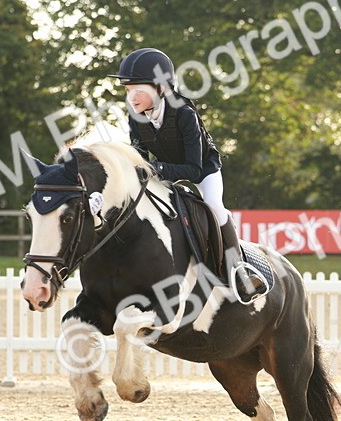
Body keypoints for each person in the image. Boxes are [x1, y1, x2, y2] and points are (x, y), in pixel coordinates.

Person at [109, 47, 268, 303]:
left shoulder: (184, 113)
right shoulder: (136, 118)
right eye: (128, 91)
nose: (131, 98)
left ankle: (240, 271)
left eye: (138, 90)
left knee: (214, 206)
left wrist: (158, 169)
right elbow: (140, 157)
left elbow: (193, 169)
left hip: (202, 169)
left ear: (160, 88)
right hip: (165, 171)